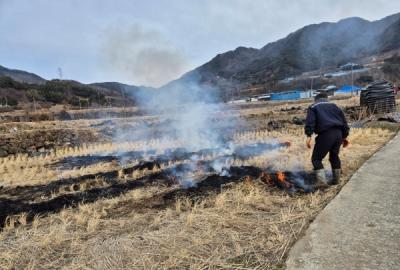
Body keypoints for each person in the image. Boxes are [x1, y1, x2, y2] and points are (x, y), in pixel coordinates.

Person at [305, 92, 350, 187]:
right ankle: (336, 181)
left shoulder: (313, 107)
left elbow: (310, 122)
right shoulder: (335, 106)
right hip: (338, 134)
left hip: (325, 135)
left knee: (316, 159)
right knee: (334, 157)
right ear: (326, 98)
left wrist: (309, 136)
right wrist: (344, 136)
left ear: (316, 99)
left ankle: (322, 183)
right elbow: (344, 122)